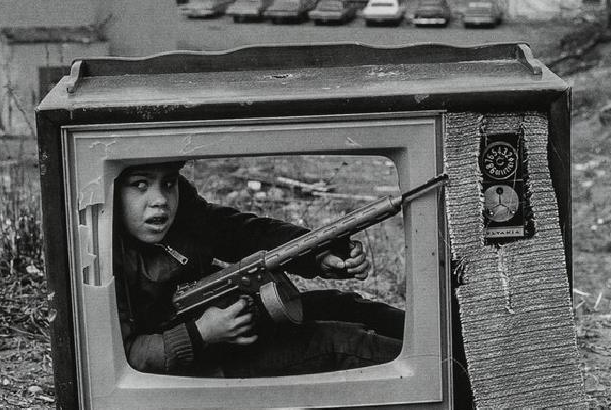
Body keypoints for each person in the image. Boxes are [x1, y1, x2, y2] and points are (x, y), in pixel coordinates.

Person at [114, 161, 404, 376]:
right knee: (339, 344)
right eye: (140, 185)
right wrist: (201, 333)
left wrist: (320, 254)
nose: (160, 201)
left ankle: (447, 334)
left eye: (169, 183)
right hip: (202, 361)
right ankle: (443, 371)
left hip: (235, 325)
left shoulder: (185, 213)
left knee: (345, 305)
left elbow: (243, 233)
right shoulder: (105, 258)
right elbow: (128, 356)